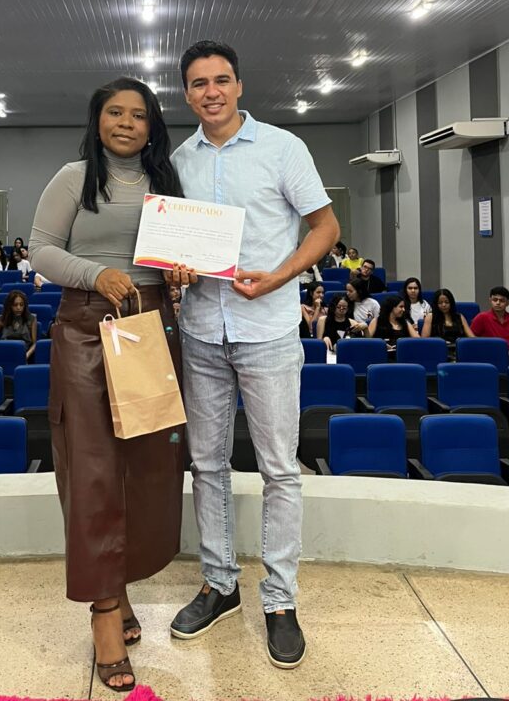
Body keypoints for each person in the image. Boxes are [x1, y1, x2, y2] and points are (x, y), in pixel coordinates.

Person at [168, 41, 339, 671]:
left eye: (221, 80)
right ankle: (220, 584)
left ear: (239, 86)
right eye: (198, 83)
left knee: (280, 469)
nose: (211, 92)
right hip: (202, 331)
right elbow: (175, 246)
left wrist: (280, 276)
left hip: (267, 329)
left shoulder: (282, 147)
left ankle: (280, 600)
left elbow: (326, 228)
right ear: (187, 94)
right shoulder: (179, 161)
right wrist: (178, 271)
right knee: (206, 464)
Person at [27, 76, 184, 693]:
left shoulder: (166, 183)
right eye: (114, 112)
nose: (125, 123)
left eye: (138, 115)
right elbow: (41, 251)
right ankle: (103, 616)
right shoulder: (73, 179)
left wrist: (181, 274)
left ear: (151, 126)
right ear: (97, 121)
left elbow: (176, 258)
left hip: (151, 326)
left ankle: (119, 588)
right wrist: (96, 275)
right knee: (92, 470)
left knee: (146, 468)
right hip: (88, 329)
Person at [470, 286, 509, 351]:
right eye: (495, 300)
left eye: (502, 301)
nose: (498, 303)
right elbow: (471, 339)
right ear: (490, 300)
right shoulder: (481, 317)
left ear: (508, 303)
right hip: (489, 353)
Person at [0, 289, 37, 360]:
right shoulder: (2, 319)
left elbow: (34, 344)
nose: (19, 308)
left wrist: (27, 354)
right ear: (9, 306)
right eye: (15, 305)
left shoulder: (31, 319)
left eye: (21, 305)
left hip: (24, 354)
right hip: (4, 353)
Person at [422, 288, 473, 355]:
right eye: (440, 303)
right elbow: (424, 340)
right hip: (438, 351)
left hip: (459, 351)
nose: (444, 305)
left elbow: (472, 338)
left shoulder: (459, 317)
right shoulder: (430, 317)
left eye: (446, 302)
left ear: (451, 303)